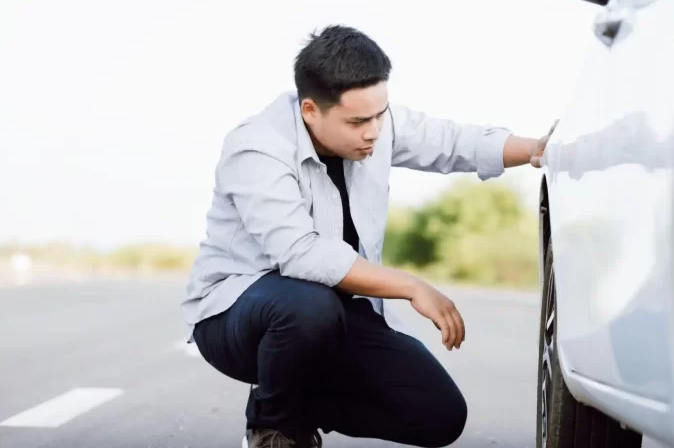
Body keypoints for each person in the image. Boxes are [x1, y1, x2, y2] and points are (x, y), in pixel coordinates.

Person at [181, 25, 552, 448]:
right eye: (358, 121)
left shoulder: (377, 125)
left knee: (438, 415)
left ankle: (296, 401)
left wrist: (538, 149)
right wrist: (411, 286)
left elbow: (451, 142)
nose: (374, 131)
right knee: (307, 306)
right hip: (237, 317)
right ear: (310, 111)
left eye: (380, 115)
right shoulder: (257, 147)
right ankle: (275, 425)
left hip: (337, 313)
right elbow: (302, 255)